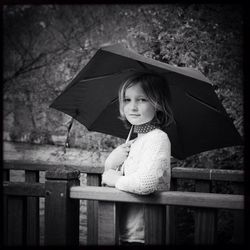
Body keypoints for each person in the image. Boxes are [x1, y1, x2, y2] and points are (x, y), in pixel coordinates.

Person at [101, 71, 174, 245]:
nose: (132, 107)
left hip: (145, 233)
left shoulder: (157, 138)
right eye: (127, 100)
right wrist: (110, 162)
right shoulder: (134, 142)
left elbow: (146, 183)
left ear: (157, 104)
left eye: (141, 99)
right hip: (124, 230)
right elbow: (111, 180)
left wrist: (115, 178)